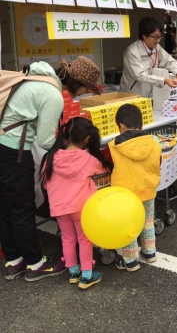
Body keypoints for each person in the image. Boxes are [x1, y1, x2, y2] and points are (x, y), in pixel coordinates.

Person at [0, 57, 101, 282]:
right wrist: (71, 148)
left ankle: (14, 260)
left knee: (6, 207)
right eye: (85, 88)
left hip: (2, 145)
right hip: (14, 152)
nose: (84, 93)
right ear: (78, 83)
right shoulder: (53, 95)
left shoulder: (37, 78)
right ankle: (35, 263)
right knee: (22, 208)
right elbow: (46, 141)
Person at [41, 117, 110, 289]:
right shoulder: (86, 159)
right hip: (81, 207)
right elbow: (103, 169)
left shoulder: (51, 157)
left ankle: (73, 271)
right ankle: (87, 275)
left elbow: (44, 182)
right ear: (87, 139)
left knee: (68, 239)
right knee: (84, 239)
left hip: (59, 207)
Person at [108, 104, 161, 272]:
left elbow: (109, 164)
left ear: (121, 127)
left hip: (126, 195)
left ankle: (131, 260)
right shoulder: (154, 143)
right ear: (142, 126)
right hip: (148, 190)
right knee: (147, 222)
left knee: (129, 225)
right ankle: (150, 252)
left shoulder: (113, 146)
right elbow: (157, 163)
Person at [121, 17, 177, 98]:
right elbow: (140, 75)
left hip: (150, 94)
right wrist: (164, 80)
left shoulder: (157, 48)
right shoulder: (132, 52)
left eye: (160, 37)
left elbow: (170, 61)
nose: (158, 40)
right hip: (133, 96)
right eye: (155, 37)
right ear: (144, 35)